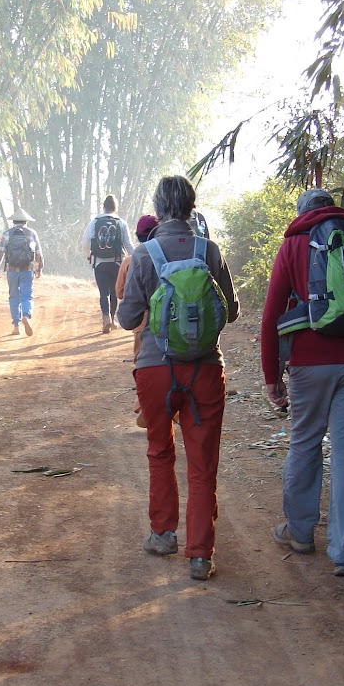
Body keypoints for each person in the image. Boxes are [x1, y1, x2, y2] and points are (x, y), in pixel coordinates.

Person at [259, 188, 344, 577]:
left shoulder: (294, 244)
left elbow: (270, 317)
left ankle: (300, 533)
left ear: (302, 212)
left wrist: (272, 376)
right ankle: (343, 551)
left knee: (305, 442)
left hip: (309, 364)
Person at [118, 176, 239, 581]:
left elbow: (127, 319)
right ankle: (201, 555)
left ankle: (163, 534)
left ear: (159, 207)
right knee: (203, 462)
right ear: (191, 206)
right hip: (206, 368)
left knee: (159, 450)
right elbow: (232, 312)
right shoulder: (210, 250)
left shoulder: (144, 253)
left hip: (155, 369)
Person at [115, 214, 159, 427]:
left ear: (137, 236)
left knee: (142, 366)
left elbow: (120, 292)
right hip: (168, 323)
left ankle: (143, 405)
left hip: (141, 324)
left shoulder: (131, 260)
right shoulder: (168, 256)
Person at [81, 194, 135, 333]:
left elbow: (85, 243)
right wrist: (136, 258)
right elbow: (128, 244)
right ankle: (112, 318)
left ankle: (105, 318)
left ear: (103, 207)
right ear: (115, 208)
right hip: (117, 262)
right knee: (113, 291)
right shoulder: (121, 222)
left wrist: (89, 257)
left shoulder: (94, 222)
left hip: (99, 263)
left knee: (103, 292)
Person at [0, 207, 44, 336]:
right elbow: (38, 253)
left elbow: (0, 251)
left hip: (12, 270)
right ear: (26, 221)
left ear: (13, 221)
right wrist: (39, 268)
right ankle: (26, 314)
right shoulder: (32, 233)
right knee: (27, 295)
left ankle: (16, 326)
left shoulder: (7, 233)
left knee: (14, 296)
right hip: (27, 269)